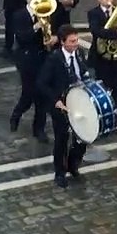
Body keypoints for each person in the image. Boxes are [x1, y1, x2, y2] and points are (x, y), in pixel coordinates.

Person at [38, 25, 89, 188]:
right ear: (62, 42)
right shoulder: (54, 59)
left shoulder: (79, 53)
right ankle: (59, 172)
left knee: (82, 138)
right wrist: (56, 101)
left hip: (79, 102)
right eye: (72, 41)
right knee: (62, 139)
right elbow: (42, 83)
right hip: (62, 105)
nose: (76, 44)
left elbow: (84, 72)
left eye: (77, 40)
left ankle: (73, 165)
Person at [10, 0, 51, 142]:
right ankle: (16, 115)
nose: (37, 3)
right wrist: (36, 27)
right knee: (28, 95)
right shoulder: (19, 15)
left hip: (42, 58)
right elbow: (21, 37)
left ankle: (38, 129)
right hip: (27, 60)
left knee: (42, 96)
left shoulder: (45, 13)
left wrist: (49, 36)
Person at [88, 0, 117, 114]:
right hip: (101, 57)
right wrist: (116, 33)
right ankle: (104, 112)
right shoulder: (93, 13)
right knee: (104, 86)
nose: (108, 0)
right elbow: (96, 31)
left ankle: (116, 112)